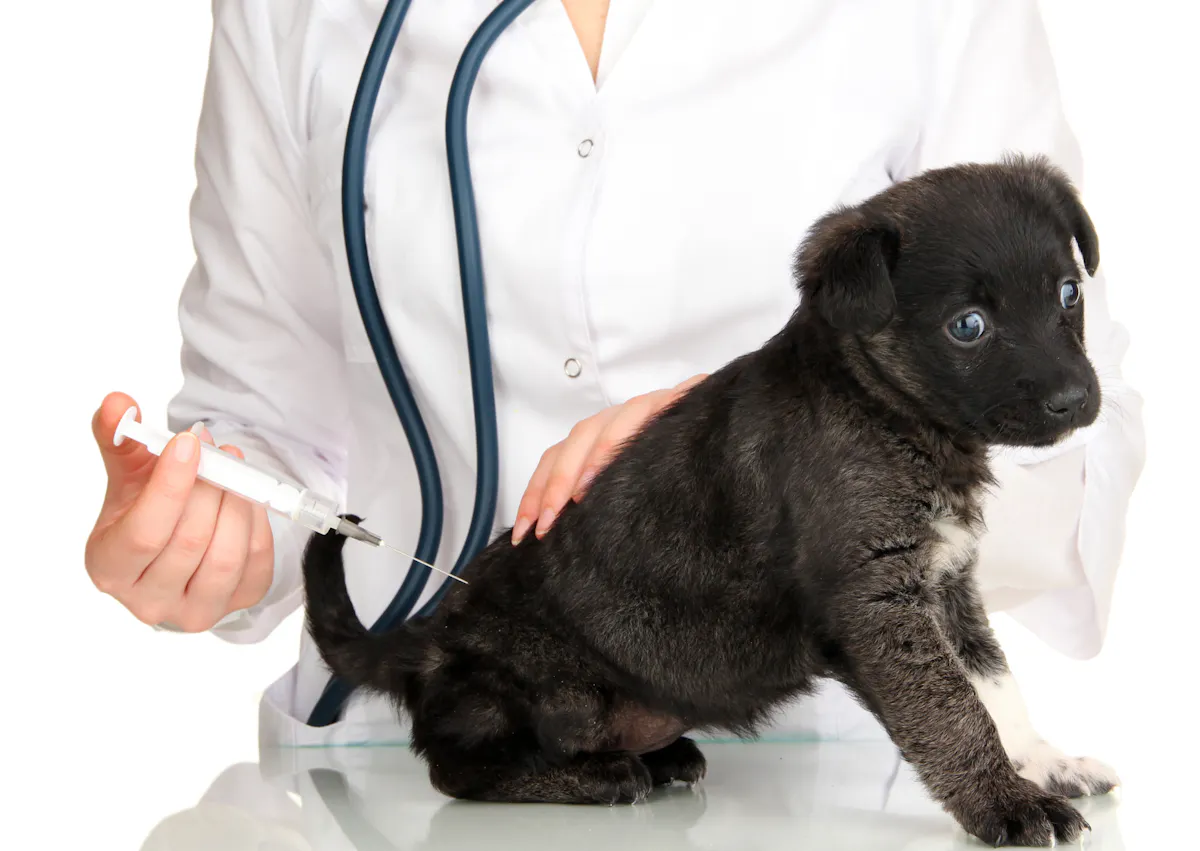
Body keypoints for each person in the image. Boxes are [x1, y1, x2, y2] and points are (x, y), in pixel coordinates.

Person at [85, 0, 1145, 747]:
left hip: (819, 766)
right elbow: (268, 423)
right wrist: (210, 534)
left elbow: (1068, 434)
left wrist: (756, 450)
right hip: (431, 759)